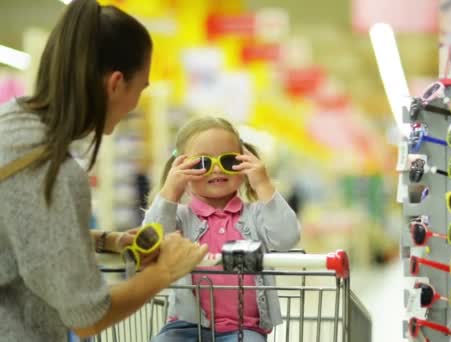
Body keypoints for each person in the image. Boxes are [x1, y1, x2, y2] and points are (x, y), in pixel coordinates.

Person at [0, 1, 207, 341]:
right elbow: (86, 316)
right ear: (115, 84)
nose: (136, 103)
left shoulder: (11, 126)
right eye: (140, 89)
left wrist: (105, 240)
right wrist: (164, 272)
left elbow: (20, 231)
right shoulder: (49, 170)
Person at [144, 117, 301, 342]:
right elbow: (150, 242)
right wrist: (170, 192)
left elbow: (287, 237)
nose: (217, 169)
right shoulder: (179, 218)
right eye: (202, 163)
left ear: (245, 163)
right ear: (180, 168)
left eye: (228, 161)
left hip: (244, 328)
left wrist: (263, 184)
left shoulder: (256, 215)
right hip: (184, 324)